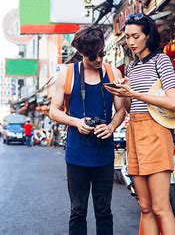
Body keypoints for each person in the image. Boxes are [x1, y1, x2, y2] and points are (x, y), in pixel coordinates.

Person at [104, 13, 175, 235]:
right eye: (127, 37)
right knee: (145, 207)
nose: (130, 42)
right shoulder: (133, 67)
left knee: (160, 207)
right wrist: (123, 91)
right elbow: (129, 107)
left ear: (148, 35)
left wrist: (135, 92)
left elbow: (173, 102)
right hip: (134, 131)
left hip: (155, 130)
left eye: (135, 36)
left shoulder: (161, 60)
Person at [49, 26, 126, 235]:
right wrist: (76, 122)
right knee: (78, 210)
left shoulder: (113, 72)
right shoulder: (67, 74)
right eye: (93, 57)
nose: (99, 60)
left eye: (102, 54)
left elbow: (121, 110)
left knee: (104, 211)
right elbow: (53, 112)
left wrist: (111, 127)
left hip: (104, 153)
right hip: (77, 154)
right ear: (82, 53)